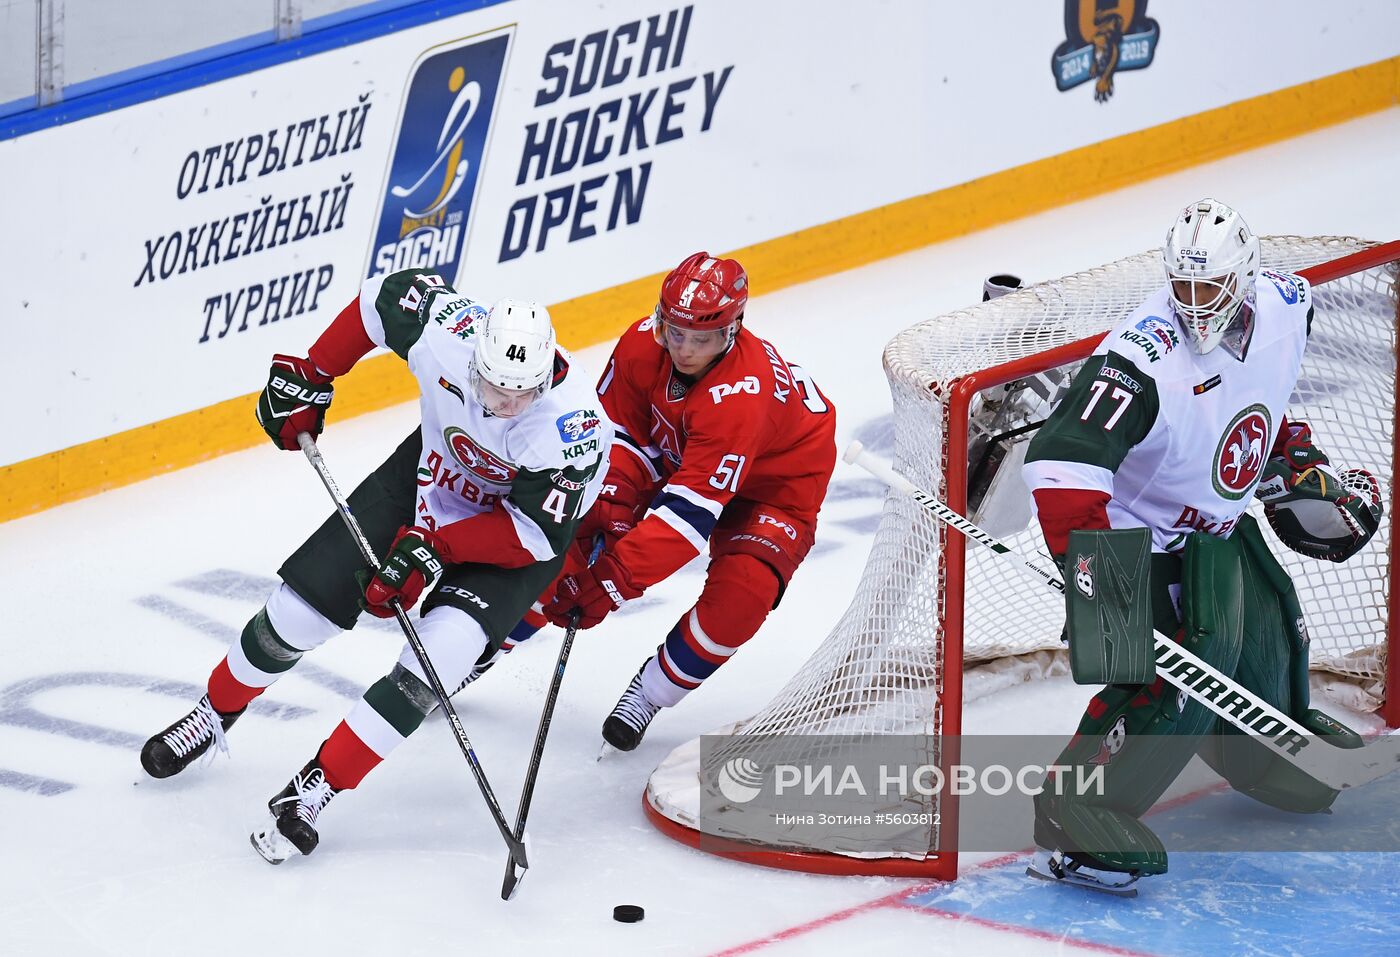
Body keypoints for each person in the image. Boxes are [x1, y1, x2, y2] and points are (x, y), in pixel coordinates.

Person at [139, 269, 612, 863]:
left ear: (544, 382)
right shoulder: (448, 333)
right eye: (491, 387)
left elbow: (534, 534)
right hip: (425, 481)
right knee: (297, 614)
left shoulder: (575, 433)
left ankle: (315, 789)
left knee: (430, 668)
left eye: (518, 396)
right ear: (475, 362)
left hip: (512, 539)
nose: (500, 405)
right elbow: (376, 302)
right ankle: (213, 714)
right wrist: (313, 373)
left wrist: (432, 549)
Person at [1020, 198, 1382, 893]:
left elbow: (1260, 395)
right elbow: (1061, 461)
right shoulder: (1142, 354)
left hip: (1218, 528)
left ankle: (1266, 750)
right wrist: (1101, 577)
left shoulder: (1287, 306)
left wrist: (1292, 454)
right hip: (1139, 539)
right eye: (1182, 288)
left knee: (1269, 634)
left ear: (1244, 280)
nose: (1195, 304)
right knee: (1157, 689)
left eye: (1210, 288)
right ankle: (1075, 808)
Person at [490, 251, 837, 752]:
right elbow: (618, 436)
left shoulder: (742, 397)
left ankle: (648, 695)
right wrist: (610, 503)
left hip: (776, 488)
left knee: (743, 597)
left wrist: (612, 581)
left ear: (733, 331)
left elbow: (687, 519)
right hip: (681, 451)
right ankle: (482, 648)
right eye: (676, 333)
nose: (686, 351)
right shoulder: (640, 345)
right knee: (568, 538)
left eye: (702, 339)